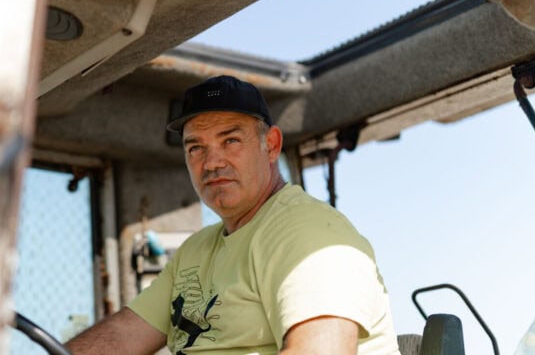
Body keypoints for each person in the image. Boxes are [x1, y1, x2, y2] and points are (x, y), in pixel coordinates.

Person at [66, 75, 400, 354]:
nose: (211, 162)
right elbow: (123, 335)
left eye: (231, 141)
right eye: (196, 147)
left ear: (270, 145)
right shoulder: (195, 252)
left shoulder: (309, 234)